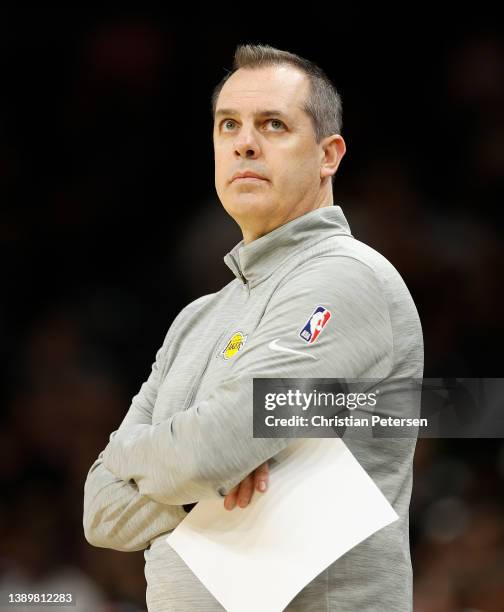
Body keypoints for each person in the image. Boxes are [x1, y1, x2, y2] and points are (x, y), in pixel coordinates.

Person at [83, 43, 423, 611]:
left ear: (328, 155)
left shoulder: (349, 278)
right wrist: (202, 480)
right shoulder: (195, 319)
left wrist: (162, 463)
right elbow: (100, 510)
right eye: (228, 125)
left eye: (273, 124)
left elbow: (218, 446)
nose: (244, 141)